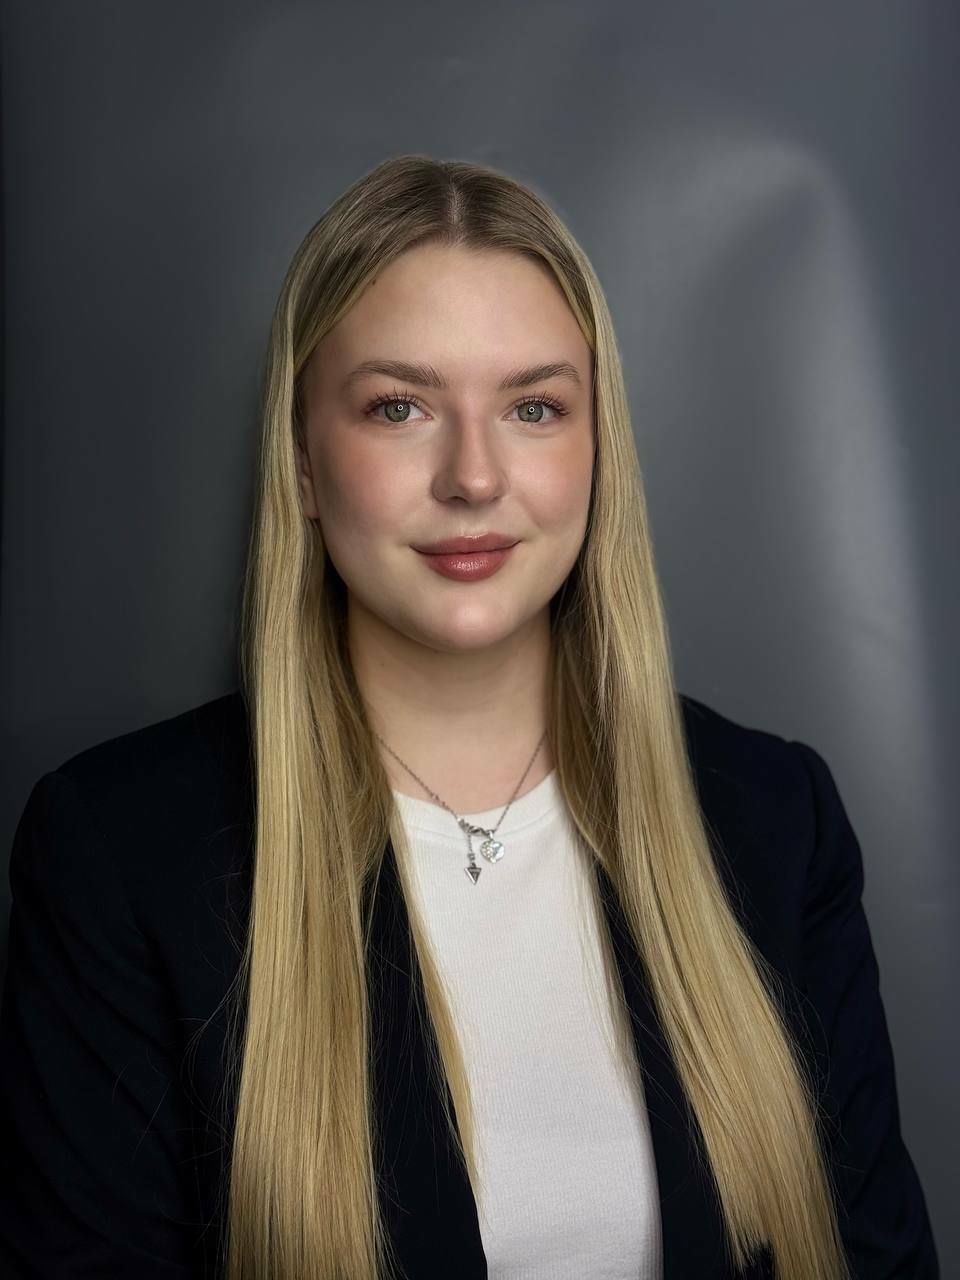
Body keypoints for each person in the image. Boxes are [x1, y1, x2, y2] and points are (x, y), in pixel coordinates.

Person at [0, 155, 940, 1280]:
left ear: (597, 449)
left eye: (534, 407)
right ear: (302, 460)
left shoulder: (777, 819)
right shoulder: (118, 852)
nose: (475, 477)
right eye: (398, 407)